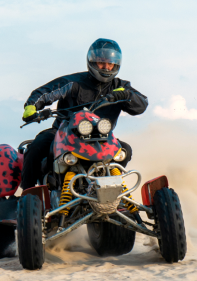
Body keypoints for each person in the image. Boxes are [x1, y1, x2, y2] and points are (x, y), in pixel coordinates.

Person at [21, 38, 148, 190]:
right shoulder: (74, 82)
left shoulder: (121, 87)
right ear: (92, 62)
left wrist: (126, 96)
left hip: (102, 138)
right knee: (36, 146)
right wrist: (31, 106)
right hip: (63, 133)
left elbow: (141, 105)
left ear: (116, 64)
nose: (106, 67)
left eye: (110, 63)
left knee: (125, 150)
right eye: (101, 62)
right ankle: (27, 194)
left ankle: (109, 187)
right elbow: (46, 92)